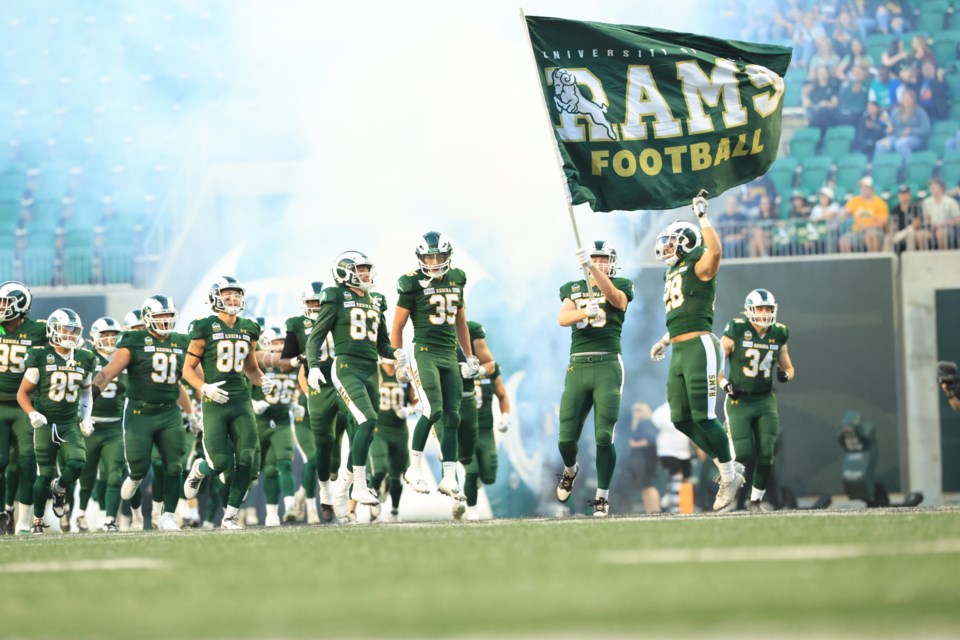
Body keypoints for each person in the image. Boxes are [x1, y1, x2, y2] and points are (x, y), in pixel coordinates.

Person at [649, 194, 744, 513]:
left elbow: (716, 250)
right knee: (680, 419)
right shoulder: (671, 272)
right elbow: (682, 311)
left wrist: (703, 217)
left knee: (704, 416)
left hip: (701, 347)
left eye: (671, 241)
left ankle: (729, 475)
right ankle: (727, 466)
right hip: (678, 348)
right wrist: (664, 340)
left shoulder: (700, 262)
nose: (665, 246)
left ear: (687, 242)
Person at [93, 295, 197, 532]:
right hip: (139, 411)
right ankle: (135, 476)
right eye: (161, 315)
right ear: (148, 317)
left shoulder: (181, 341)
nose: (166, 320)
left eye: (169, 315)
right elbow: (109, 372)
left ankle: (168, 516)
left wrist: (209, 389)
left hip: (169, 411)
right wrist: (92, 394)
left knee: (174, 466)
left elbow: (196, 375)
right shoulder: (134, 339)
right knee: (139, 467)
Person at [391, 231, 480, 502]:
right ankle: (414, 469)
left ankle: (450, 478)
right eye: (429, 256)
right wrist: (398, 359)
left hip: (449, 353)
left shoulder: (457, 278)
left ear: (447, 255)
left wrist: (469, 355)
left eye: (438, 255)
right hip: (425, 351)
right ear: (420, 257)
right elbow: (397, 326)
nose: (433, 261)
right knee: (433, 409)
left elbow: (461, 321)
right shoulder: (410, 283)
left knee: (453, 416)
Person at [181, 277, 276, 530]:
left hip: (240, 400)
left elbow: (252, 369)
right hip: (215, 401)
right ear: (215, 298)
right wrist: (204, 387)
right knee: (219, 463)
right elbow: (187, 370)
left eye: (236, 294)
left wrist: (262, 381)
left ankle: (230, 516)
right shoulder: (204, 327)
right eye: (227, 294)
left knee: (246, 456)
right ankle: (199, 471)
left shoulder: (249, 328)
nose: (233, 299)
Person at [306, 250, 396, 515]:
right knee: (367, 420)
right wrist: (312, 365)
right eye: (360, 269)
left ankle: (343, 486)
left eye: (367, 269)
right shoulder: (335, 296)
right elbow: (316, 336)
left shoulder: (376, 300)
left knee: (365, 429)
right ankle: (359, 482)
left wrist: (398, 354)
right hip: (346, 367)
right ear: (345, 272)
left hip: (370, 369)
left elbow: (383, 344)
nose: (366, 274)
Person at [555, 240, 634, 517]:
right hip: (578, 365)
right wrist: (582, 312)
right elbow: (563, 319)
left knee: (603, 434)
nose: (599, 263)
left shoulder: (622, 283)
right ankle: (570, 469)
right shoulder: (573, 288)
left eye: (603, 260)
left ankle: (602, 497)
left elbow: (614, 298)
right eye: (594, 259)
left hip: (608, 364)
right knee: (565, 439)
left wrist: (593, 270)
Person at [17, 309, 96, 535]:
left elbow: (86, 393)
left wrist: (86, 418)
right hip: (45, 422)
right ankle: (38, 520)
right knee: (45, 473)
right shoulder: (40, 355)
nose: (70, 335)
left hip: (69, 422)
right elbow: (23, 393)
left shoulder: (85, 357)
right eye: (65, 329)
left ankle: (60, 488)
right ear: (53, 329)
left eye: (74, 331)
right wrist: (32, 413)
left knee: (78, 463)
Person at [720, 289, 795, 512]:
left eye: (768, 309)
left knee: (766, 453)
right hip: (739, 401)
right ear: (750, 310)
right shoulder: (737, 329)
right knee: (742, 454)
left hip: (765, 400)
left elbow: (788, 367)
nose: (764, 313)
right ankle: (728, 494)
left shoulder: (779, 333)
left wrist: (786, 375)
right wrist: (725, 385)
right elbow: (713, 364)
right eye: (760, 308)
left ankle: (755, 502)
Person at [278, 282, 334, 524]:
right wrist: (300, 360)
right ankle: (312, 507)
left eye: (318, 303)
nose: (315, 307)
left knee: (329, 458)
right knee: (313, 458)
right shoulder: (298, 325)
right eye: (311, 302)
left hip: (334, 392)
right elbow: (286, 363)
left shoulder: (335, 319)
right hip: (307, 400)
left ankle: (303, 495)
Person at [0, 281, 46, 535]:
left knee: (28, 462)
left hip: (24, 405)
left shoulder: (39, 330)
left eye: (5, 302)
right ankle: (1, 514)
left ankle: (24, 521)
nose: (1, 307)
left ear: (20, 305)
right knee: (0, 460)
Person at [76, 317, 127, 531]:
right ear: (95, 337)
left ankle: (110, 520)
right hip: (90, 425)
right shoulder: (87, 358)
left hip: (114, 427)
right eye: (105, 335)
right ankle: (80, 513)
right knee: (86, 475)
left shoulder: (125, 358)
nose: (110, 339)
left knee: (114, 474)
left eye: (113, 335)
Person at [464, 321, 510, 521]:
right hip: (464, 429)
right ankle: (471, 509)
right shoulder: (457, 368)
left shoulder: (491, 369)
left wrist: (505, 416)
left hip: (485, 428)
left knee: (489, 475)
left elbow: (502, 395)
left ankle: (475, 483)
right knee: (471, 470)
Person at [252, 327, 299, 527]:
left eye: (283, 342)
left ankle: (288, 506)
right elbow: (240, 388)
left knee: (283, 463)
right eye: (276, 342)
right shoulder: (257, 362)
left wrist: (297, 403)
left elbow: (300, 384)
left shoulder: (291, 365)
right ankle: (230, 510)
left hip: (280, 421)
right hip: (258, 422)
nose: (281, 346)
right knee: (254, 469)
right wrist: (252, 404)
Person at [369, 358, 416, 522]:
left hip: (399, 432)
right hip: (379, 429)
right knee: (379, 469)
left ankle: (394, 511)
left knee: (397, 475)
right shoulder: (374, 371)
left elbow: (416, 401)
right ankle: (373, 501)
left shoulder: (404, 372)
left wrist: (409, 410)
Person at [874, 87, 930, 167]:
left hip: (915, 138)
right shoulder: (896, 112)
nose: (906, 100)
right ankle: (880, 169)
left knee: (900, 144)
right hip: (896, 136)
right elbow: (890, 127)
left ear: (913, 100)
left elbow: (926, 129)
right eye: (904, 98)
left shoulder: (919, 111)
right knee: (880, 144)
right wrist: (888, 131)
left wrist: (912, 130)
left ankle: (908, 167)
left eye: (908, 98)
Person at [624, 402, 661, 514]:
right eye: (634, 409)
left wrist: (634, 444)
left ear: (645, 411)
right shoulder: (641, 423)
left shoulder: (645, 423)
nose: (636, 412)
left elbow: (648, 441)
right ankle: (650, 511)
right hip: (643, 460)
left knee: (648, 486)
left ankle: (656, 510)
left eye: (639, 409)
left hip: (645, 460)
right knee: (645, 487)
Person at [840, 176, 889, 252]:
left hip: (875, 231)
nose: (863, 189)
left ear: (871, 189)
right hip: (857, 232)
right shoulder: (855, 200)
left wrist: (867, 226)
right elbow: (844, 213)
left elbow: (882, 223)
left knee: (870, 235)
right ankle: (848, 263)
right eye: (862, 187)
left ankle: (874, 261)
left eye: (865, 187)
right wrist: (844, 213)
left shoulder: (880, 203)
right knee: (844, 240)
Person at [886, 184, 930, 252]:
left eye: (905, 194)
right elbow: (892, 225)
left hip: (913, 232)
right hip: (898, 233)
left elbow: (915, 225)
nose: (903, 196)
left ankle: (910, 257)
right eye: (901, 194)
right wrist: (892, 233)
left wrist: (902, 234)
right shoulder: (895, 210)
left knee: (910, 233)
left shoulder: (915, 207)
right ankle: (887, 259)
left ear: (909, 195)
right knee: (887, 238)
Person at [922, 177, 960, 250]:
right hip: (932, 228)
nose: (932, 188)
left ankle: (943, 256)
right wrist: (931, 224)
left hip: (948, 228)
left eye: (935, 186)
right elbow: (927, 218)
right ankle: (924, 258)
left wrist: (944, 224)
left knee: (941, 233)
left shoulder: (950, 202)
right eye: (931, 187)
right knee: (921, 235)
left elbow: (958, 219)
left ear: (941, 188)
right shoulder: (926, 202)